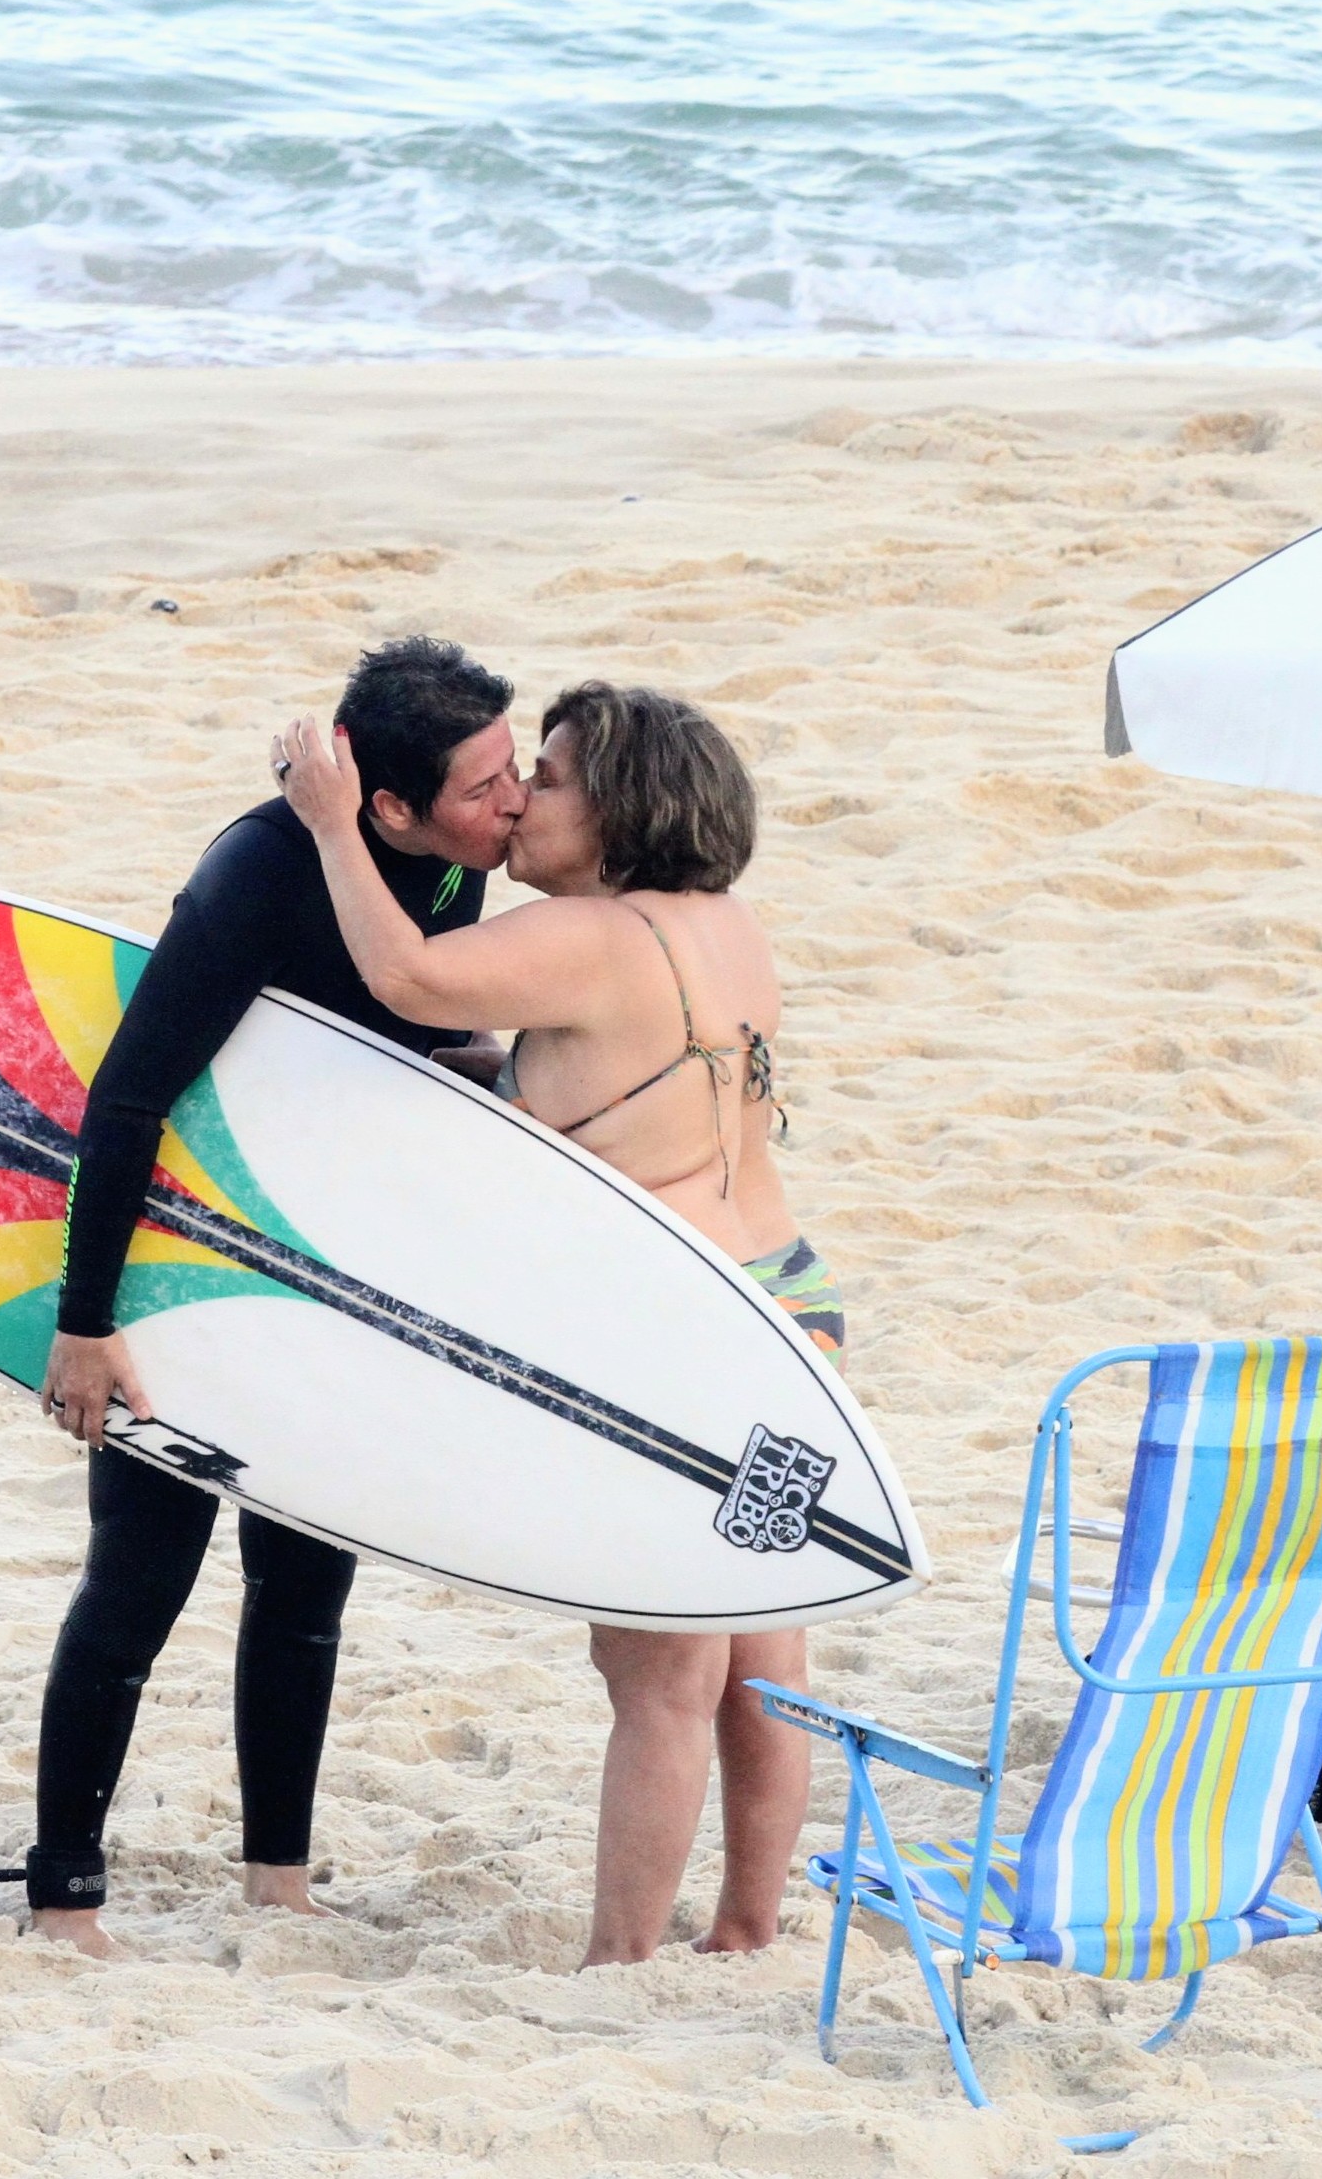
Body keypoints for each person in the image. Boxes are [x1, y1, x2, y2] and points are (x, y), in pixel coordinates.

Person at [272, 680, 841, 1965]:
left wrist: (328, 824)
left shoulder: (599, 937)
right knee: (763, 1649)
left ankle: (619, 1961)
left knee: (659, 1677)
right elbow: (616, 1084)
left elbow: (409, 972)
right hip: (793, 1305)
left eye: (559, 775)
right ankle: (745, 1927)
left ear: (627, 806)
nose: (526, 795)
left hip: (687, 1336)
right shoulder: (725, 924)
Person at [30, 636, 523, 1957]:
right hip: (181, 1271)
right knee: (139, 1584)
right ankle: (62, 1896)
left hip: (324, 1273)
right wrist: (85, 1324)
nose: (517, 801)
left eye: (516, 770)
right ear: (390, 804)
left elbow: (377, 1045)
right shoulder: (256, 874)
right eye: (489, 784)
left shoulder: (441, 869)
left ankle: (279, 1886)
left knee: (304, 1585)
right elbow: (126, 1098)